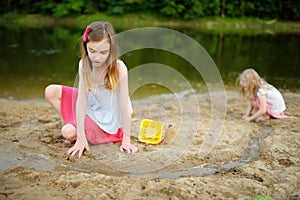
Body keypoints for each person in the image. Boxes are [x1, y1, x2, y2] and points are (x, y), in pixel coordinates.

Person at [45, 21, 138, 158]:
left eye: (103, 52)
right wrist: (81, 138)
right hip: (92, 103)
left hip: (110, 116)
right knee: (51, 91)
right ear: (85, 47)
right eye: (92, 51)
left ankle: (83, 130)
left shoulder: (119, 68)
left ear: (111, 50)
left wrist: (126, 140)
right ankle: (80, 127)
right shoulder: (84, 64)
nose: (97, 57)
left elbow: (124, 105)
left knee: (68, 132)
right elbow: (82, 100)